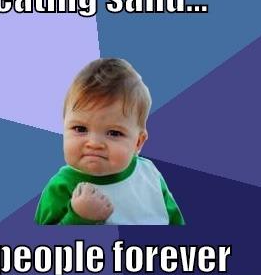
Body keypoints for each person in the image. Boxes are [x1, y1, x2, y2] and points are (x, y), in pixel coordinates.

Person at [34, 58, 185, 225]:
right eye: (80, 129)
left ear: (138, 143)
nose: (94, 143)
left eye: (114, 133)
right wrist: (79, 217)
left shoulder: (149, 175)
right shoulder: (61, 187)